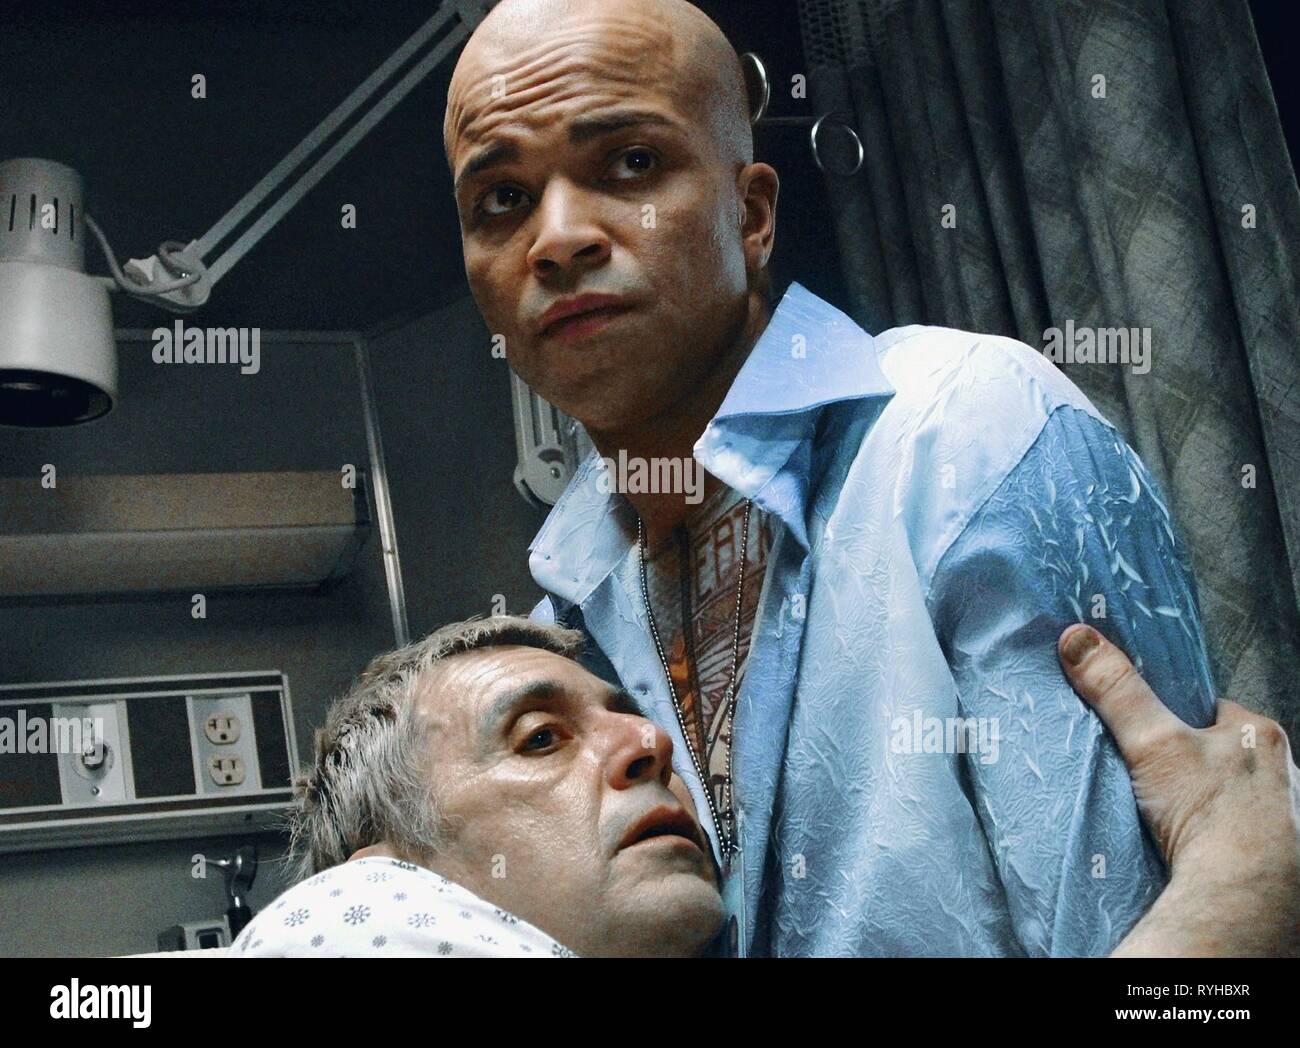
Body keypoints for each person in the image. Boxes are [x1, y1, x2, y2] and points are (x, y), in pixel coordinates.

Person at [442, 0, 1298, 955]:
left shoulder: (963, 432)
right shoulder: (562, 618)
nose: (558, 238)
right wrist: (1240, 891)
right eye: (502, 200)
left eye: (631, 162)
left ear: (751, 215)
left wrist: (1241, 902)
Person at [231, 617, 1299, 957]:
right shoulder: (342, 927)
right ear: (394, 878)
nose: (648, 743)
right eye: (541, 737)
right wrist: (1238, 889)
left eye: (628, 714)